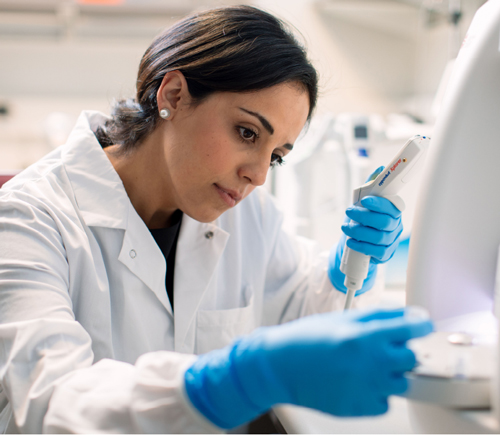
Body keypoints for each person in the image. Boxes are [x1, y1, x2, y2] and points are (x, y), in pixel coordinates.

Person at [0, 5, 432, 433]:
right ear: (173, 96)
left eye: (276, 156)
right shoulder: (28, 218)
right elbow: (50, 403)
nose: (258, 175)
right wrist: (224, 385)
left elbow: (296, 308)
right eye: (247, 133)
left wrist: (343, 273)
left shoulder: (247, 212)